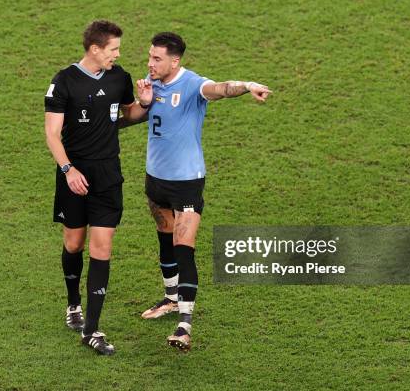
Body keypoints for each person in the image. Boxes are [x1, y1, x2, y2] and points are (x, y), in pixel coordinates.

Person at [138, 32, 272, 351]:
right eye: (149, 57)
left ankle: (184, 326)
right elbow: (143, 113)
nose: (150, 63)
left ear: (175, 61)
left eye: (156, 59)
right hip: (155, 179)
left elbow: (222, 89)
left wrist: (248, 85)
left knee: (183, 248)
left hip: (186, 181)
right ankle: (171, 299)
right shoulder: (150, 82)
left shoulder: (192, 85)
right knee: (164, 240)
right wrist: (143, 102)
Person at [44, 20, 152, 355]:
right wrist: (68, 170)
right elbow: (52, 134)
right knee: (74, 243)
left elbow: (124, 116)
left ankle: (92, 330)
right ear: (95, 49)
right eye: (113, 49)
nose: (117, 55)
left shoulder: (119, 78)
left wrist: (144, 105)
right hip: (74, 175)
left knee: (102, 248)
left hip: (108, 176)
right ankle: (73, 304)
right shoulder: (63, 81)